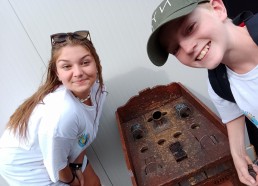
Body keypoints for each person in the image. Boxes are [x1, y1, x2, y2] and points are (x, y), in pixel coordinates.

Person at [147, 0, 258, 185]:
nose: (188, 48)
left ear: (218, 9)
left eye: (190, 28)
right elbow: (232, 114)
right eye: (176, 49)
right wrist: (238, 155)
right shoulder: (219, 84)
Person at [0, 30, 107, 186]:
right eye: (67, 66)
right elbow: (57, 169)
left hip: (53, 150)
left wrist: (76, 165)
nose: (78, 73)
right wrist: (74, 181)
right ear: (57, 73)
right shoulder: (64, 114)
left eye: (85, 62)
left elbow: (85, 135)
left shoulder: (98, 90)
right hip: (25, 166)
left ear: (96, 63)